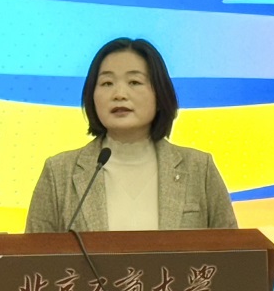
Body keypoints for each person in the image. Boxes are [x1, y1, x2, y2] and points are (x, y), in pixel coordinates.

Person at [25, 37, 238, 232]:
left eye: (134, 82)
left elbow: (235, 253)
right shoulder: (59, 173)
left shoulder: (199, 169)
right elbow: (33, 257)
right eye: (107, 83)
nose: (119, 94)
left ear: (159, 93)